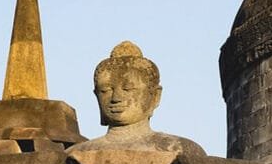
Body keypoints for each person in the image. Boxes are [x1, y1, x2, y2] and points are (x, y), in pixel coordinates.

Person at [70, 41, 206, 157]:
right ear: (96, 95)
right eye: (105, 90)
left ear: (155, 96)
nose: (116, 98)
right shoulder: (77, 154)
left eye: (128, 89)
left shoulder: (177, 149)